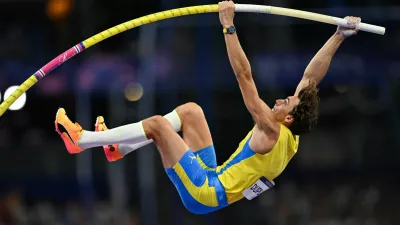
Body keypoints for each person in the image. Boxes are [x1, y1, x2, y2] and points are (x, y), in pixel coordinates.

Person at [54, 0, 361, 214]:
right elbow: (310, 77)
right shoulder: (290, 139)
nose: (280, 99)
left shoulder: (271, 128)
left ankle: (82, 141)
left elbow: (244, 76)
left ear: (289, 118)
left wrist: (228, 26)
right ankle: (117, 149)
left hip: (204, 192)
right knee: (191, 112)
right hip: (212, 176)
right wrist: (338, 36)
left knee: (158, 125)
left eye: (285, 103)